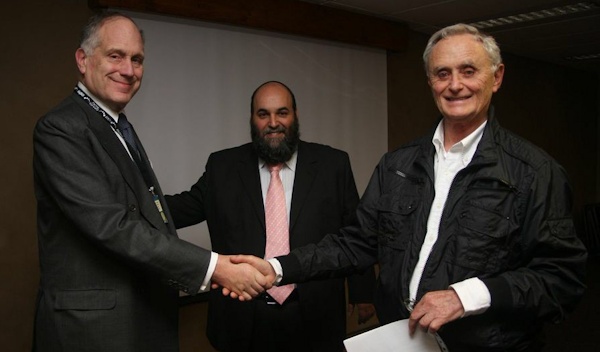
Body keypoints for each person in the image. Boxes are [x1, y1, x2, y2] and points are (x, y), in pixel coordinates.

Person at [234, 24, 588, 351]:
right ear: (430, 81)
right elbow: (355, 243)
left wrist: (466, 296)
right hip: (400, 340)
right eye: (442, 73)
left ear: (496, 78)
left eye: (468, 71)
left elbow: (561, 278)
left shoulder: (535, 172)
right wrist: (279, 268)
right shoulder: (398, 165)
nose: (455, 85)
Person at [32, 12, 268, 352]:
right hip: (93, 332)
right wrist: (214, 267)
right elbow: (113, 226)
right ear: (83, 60)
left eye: (137, 59)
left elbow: (148, 213)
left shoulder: (117, 127)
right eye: (116, 55)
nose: (128, 70)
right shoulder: (61, 128)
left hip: (142, 318)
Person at [165, 81, 377, 351]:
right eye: (263, 114)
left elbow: (353, 231)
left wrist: (363, 293)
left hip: (314, 310)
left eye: (282, 113)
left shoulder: (332, 164)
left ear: (296, 115)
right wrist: (130, 198)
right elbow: (183, 208)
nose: (273, 122)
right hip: (242, 314)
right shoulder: (223, 166)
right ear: (252, 119)